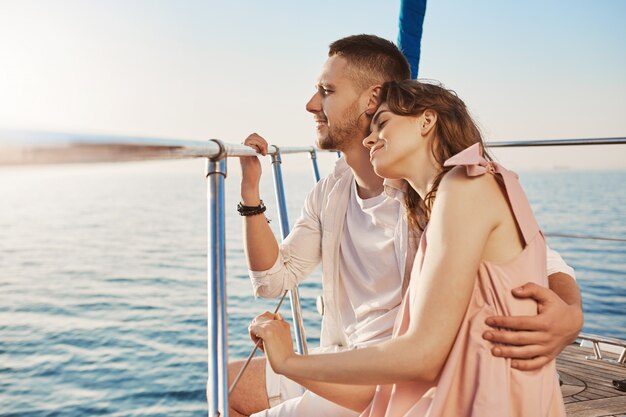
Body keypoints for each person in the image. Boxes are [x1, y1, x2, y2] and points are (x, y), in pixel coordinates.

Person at [231, 35, 581, 417]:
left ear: (372, 98)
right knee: (226, 384)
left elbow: (539, 261)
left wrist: (571, 314)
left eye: (326, 91)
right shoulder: (332, 192)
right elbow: (271, 282)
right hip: (352, 361)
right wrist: (251, 193)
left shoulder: (443, 190)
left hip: (397, 375)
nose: (311, 104)